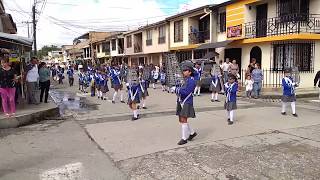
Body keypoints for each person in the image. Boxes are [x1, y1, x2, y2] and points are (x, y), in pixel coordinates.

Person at [171, 61, 197, 145]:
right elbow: (181, 89)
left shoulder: (191, 81)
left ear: (190, 72)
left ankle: (184, 138)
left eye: (185, 70)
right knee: (182, 119)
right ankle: (192, 133)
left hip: (187, 101)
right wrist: (174, 89)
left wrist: (176, 89)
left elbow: (186, 91)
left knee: (183, 119)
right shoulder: (184, 79)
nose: (183, 71)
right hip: (181, 101)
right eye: (183, 70)